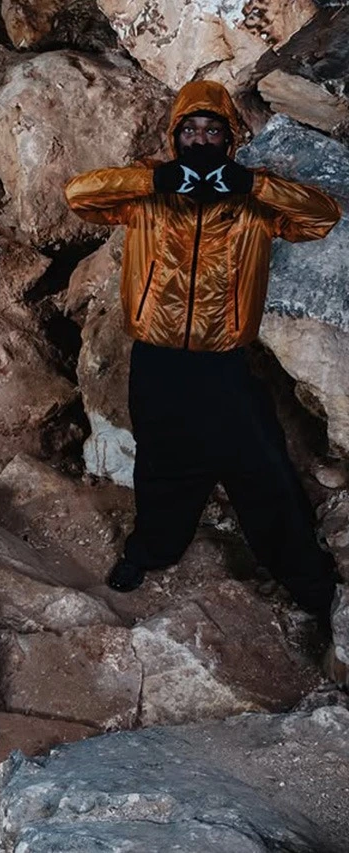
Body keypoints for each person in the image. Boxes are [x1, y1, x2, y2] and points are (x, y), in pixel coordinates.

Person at [64, 80, 341, 626]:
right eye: (189, 130)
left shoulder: (253, 201)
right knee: (163, 463)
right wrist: (155, 179)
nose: (200, 139)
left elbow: (321, 216)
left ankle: (307, 581)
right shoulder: (148, 189)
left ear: (229, 138)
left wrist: (252, 184)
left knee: (260, 466)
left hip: (223, 364)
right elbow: (80, 196)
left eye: (212, 130)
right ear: (175, 136)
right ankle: (152, 551)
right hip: (157, 358)